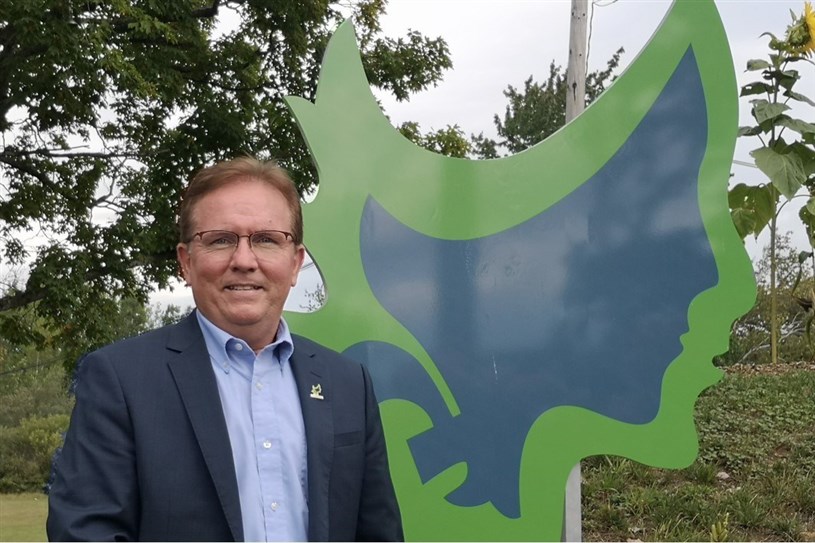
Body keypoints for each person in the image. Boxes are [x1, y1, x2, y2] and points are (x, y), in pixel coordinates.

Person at [47, 156, 403, 542]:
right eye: (220, 240)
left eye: (267, 239)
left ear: (295, 262)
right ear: (186, 262)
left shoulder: (348, 384)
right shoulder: (120, 380)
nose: (244, 261)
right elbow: (85, 534)